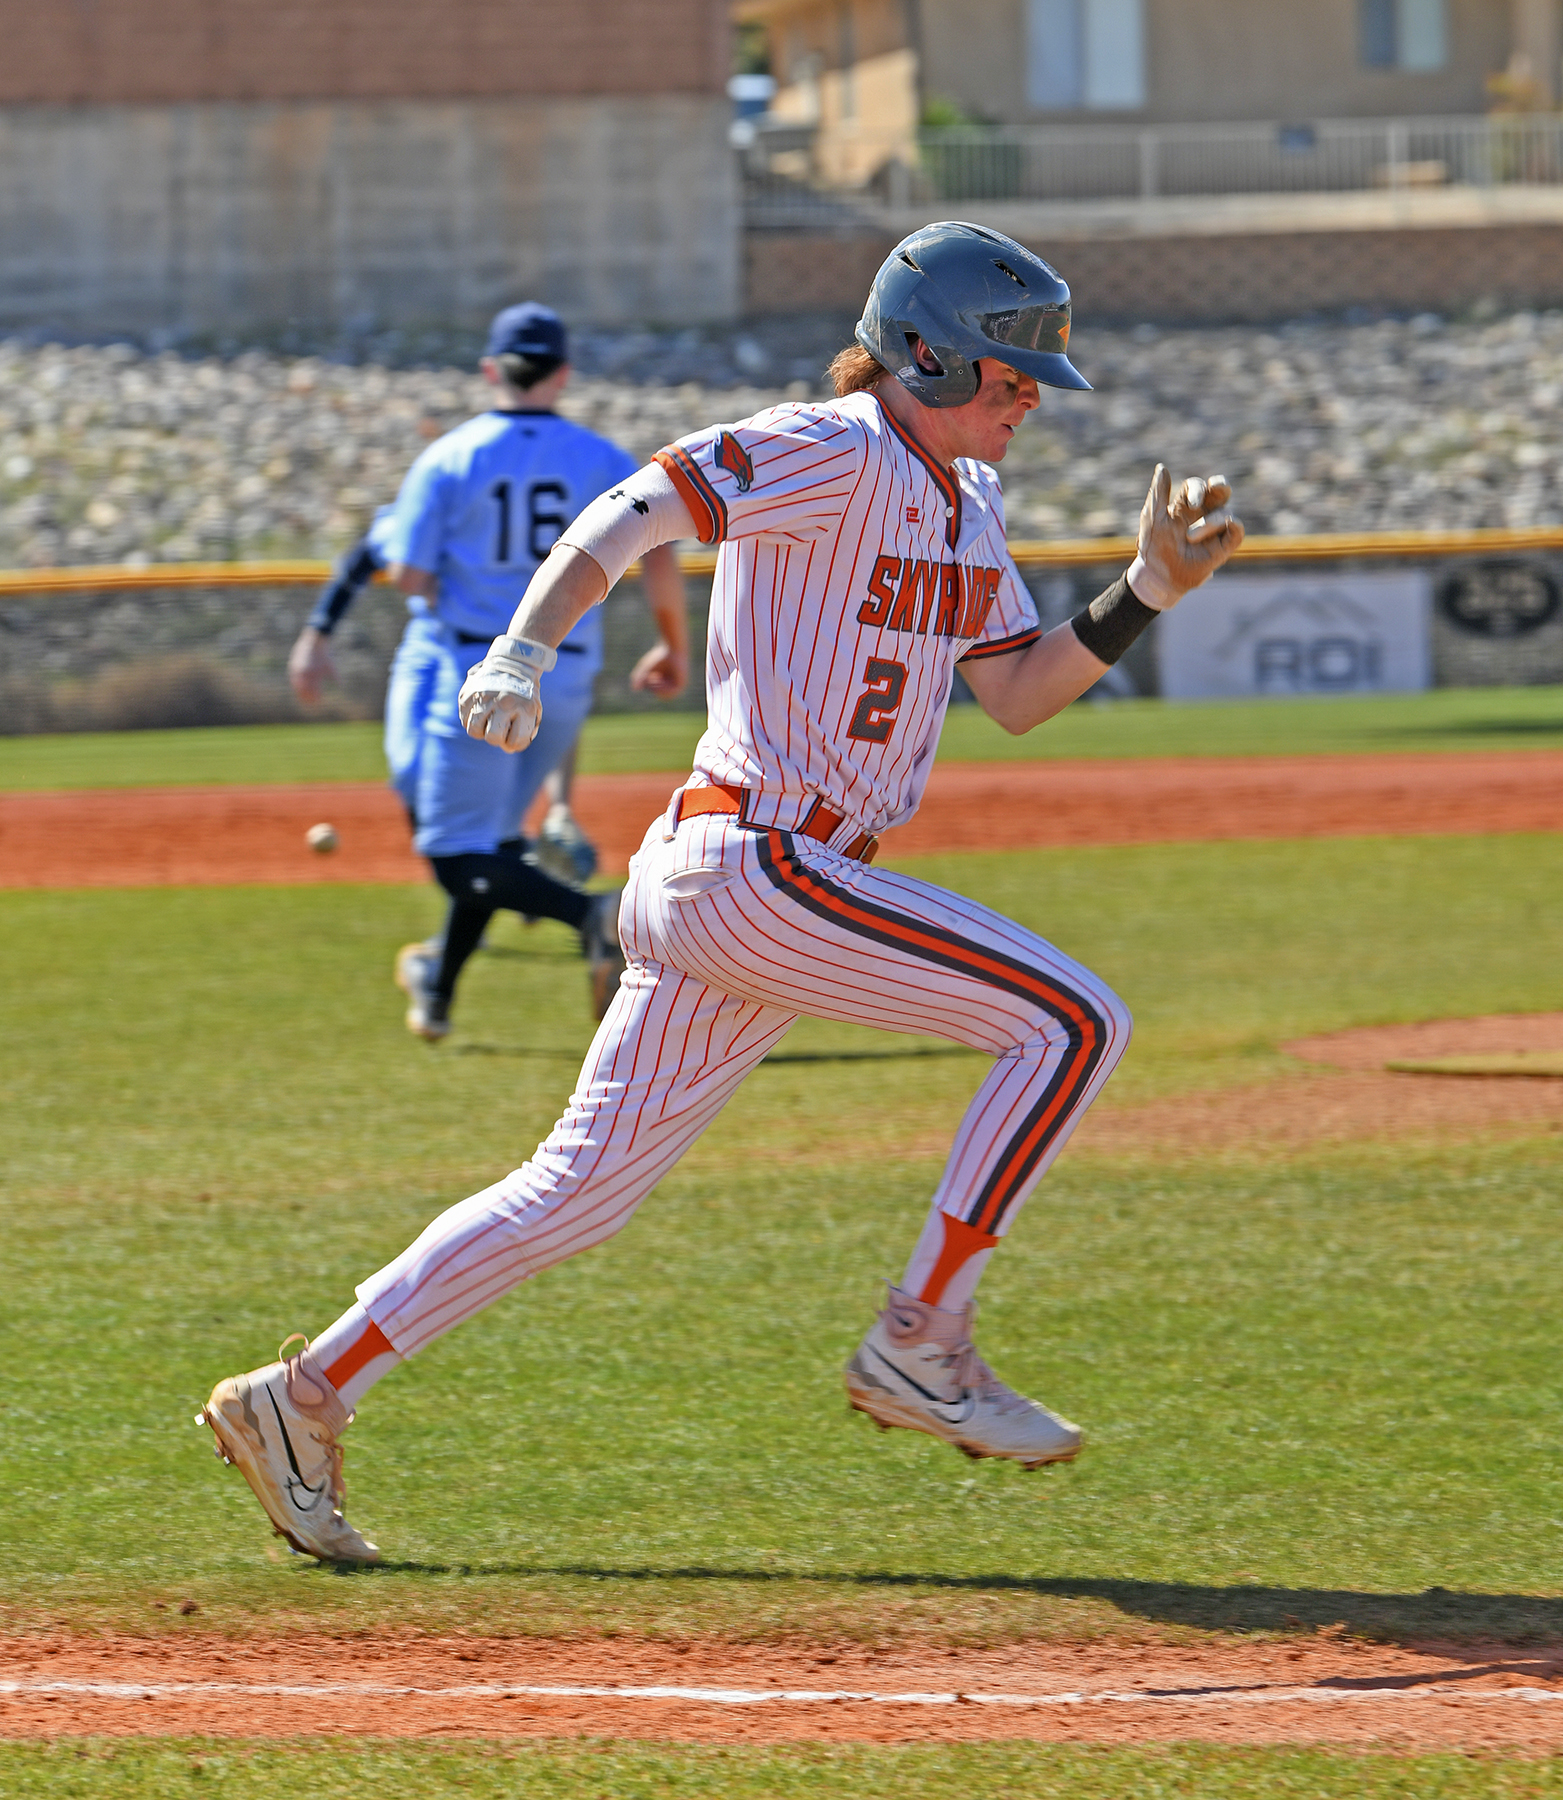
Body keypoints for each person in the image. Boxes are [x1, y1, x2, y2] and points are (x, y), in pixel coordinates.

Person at [197, 223, 1242, 1562]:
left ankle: (300, 1397)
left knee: (573, 1193)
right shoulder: (835, 442)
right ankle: (920, 1340)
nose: (1025, 394)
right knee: (1069, 1021)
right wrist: (524, 647)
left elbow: (1019, 692)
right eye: (1002, 371)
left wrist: (1144, 590)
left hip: (761, 885)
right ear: (922, 354)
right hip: (759, 861)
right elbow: (636, 507)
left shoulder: (963, 503)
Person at [294, 303, 689, 1039]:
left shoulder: (449, 456)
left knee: (452, 851)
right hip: (565, 671)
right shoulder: (602, 458)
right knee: (490, 839)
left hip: (474, 666)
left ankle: (594, 916)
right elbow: (659, 555)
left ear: (490, 371)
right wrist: (673, 644)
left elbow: (408, 573)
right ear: (563, 373)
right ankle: (437, 985)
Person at [287, 510, 601, 885]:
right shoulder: (437, 494)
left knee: (494, 802)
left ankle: (511, 879)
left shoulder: (505, 504)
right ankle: (509, 876)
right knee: (408, 771)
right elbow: (368, 557)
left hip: (499, 643)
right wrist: (316, 635)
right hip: (433, 641)